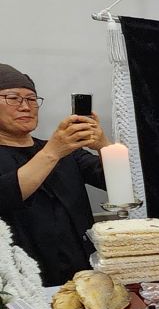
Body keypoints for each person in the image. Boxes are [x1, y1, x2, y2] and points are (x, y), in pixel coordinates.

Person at [0, 64, 109, 286]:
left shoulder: (66, 150)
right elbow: (5, 194)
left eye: (31, 99)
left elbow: (115, 183)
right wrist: (53, 151)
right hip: (22, 284)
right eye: (13, 98)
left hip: (84, 275)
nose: (26, 107)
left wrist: (103, 146)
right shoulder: (57, 149)